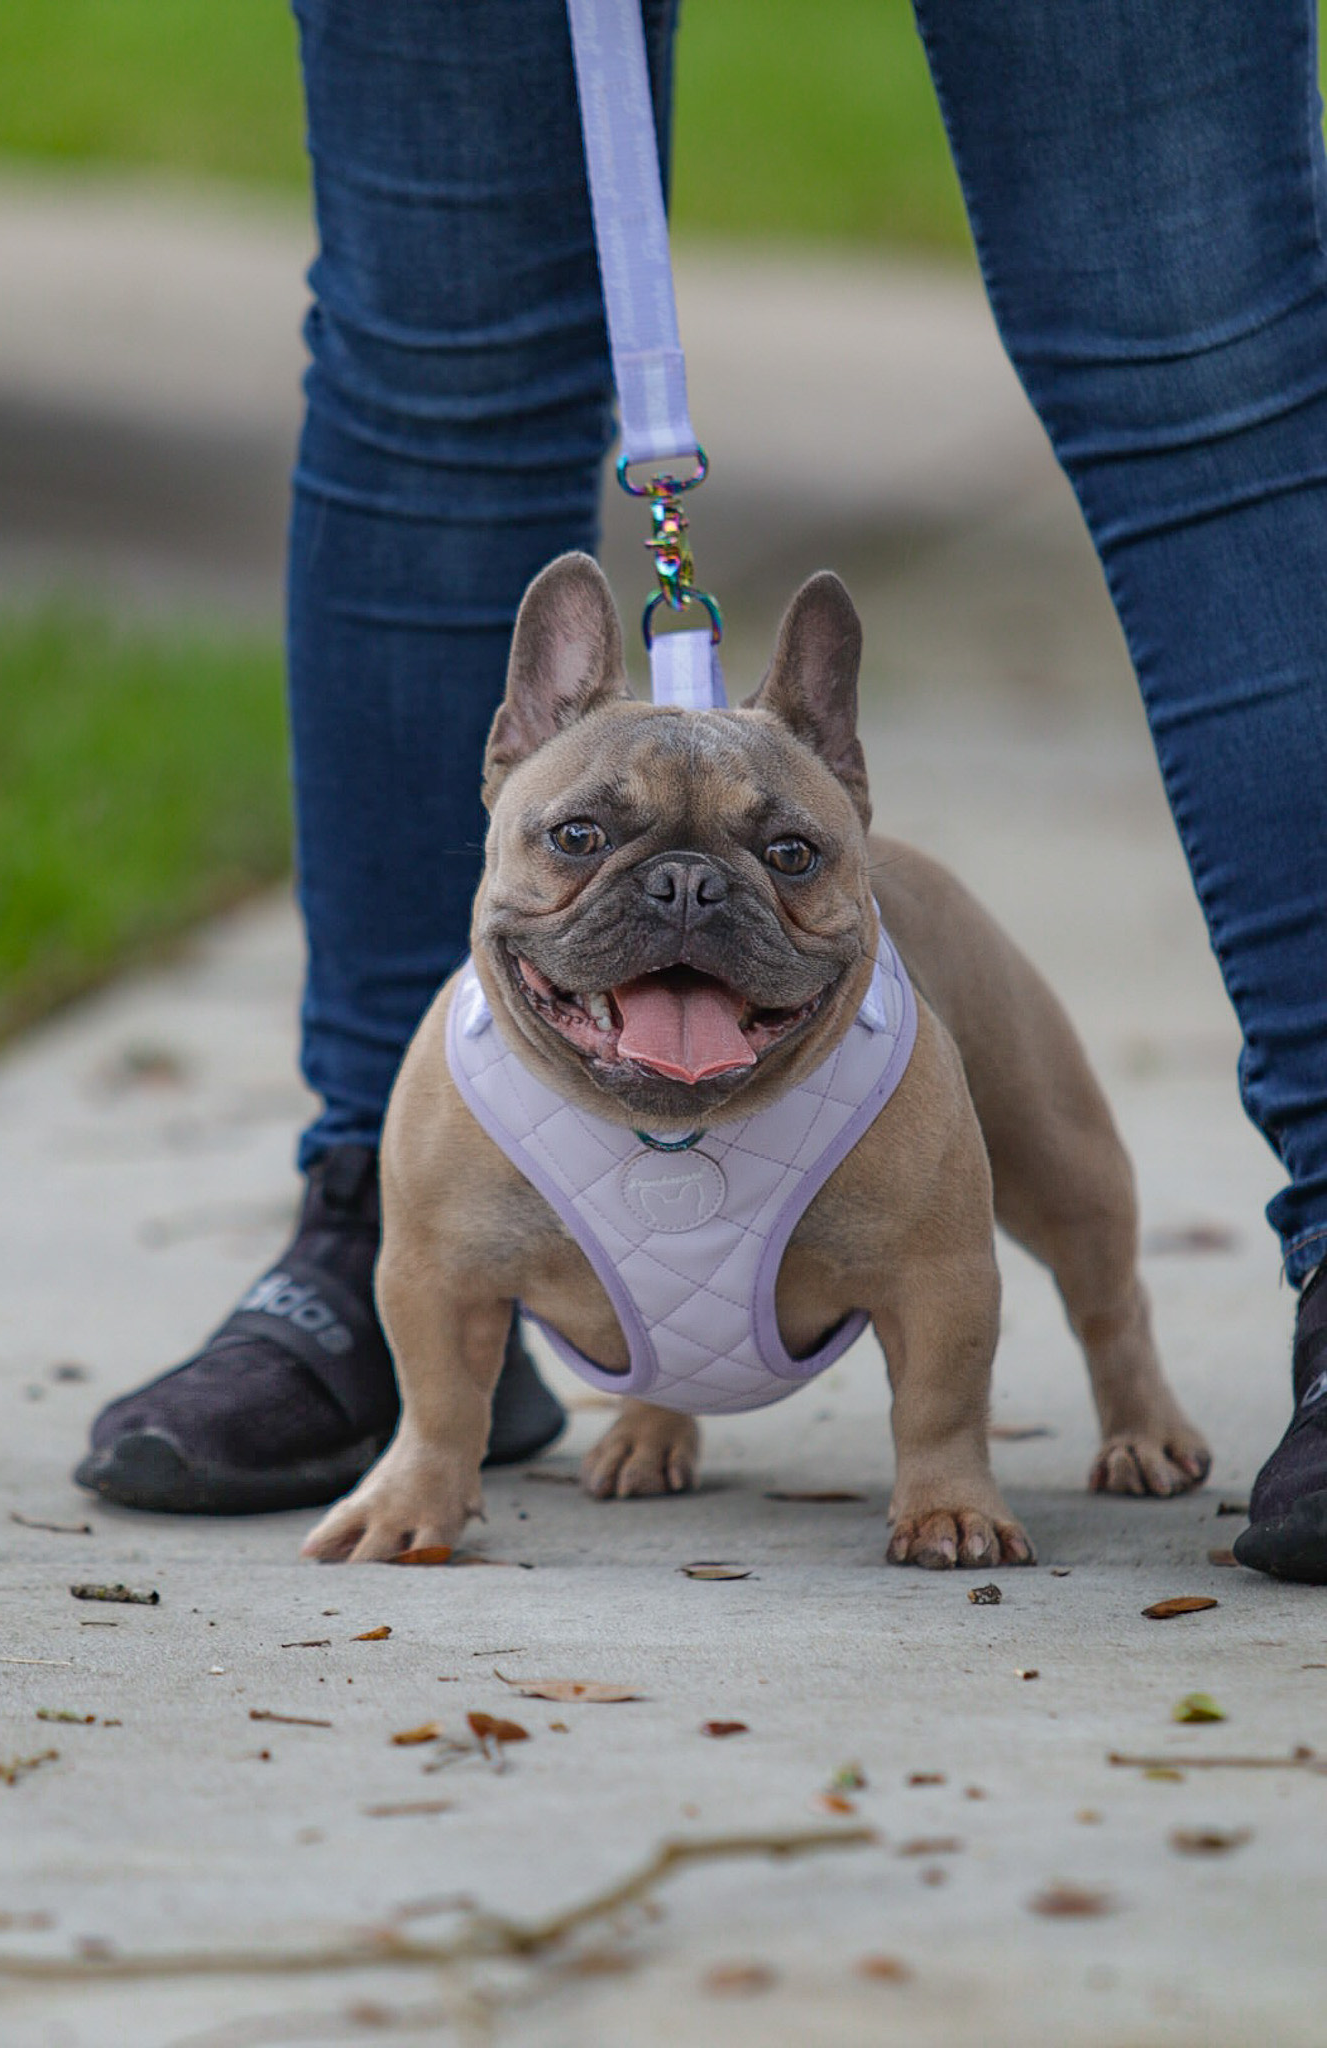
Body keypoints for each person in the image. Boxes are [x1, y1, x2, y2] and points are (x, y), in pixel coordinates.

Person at [77, 0, 1327, 1581]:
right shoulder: (472, 1072)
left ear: (846, 789)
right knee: (442, 356)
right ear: (512, 749)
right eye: (587, 843)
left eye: (782, 857)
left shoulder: (885, 1058)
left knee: (1197, 333)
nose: (680, 901)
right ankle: (381, 1284)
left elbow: (962, 1240)